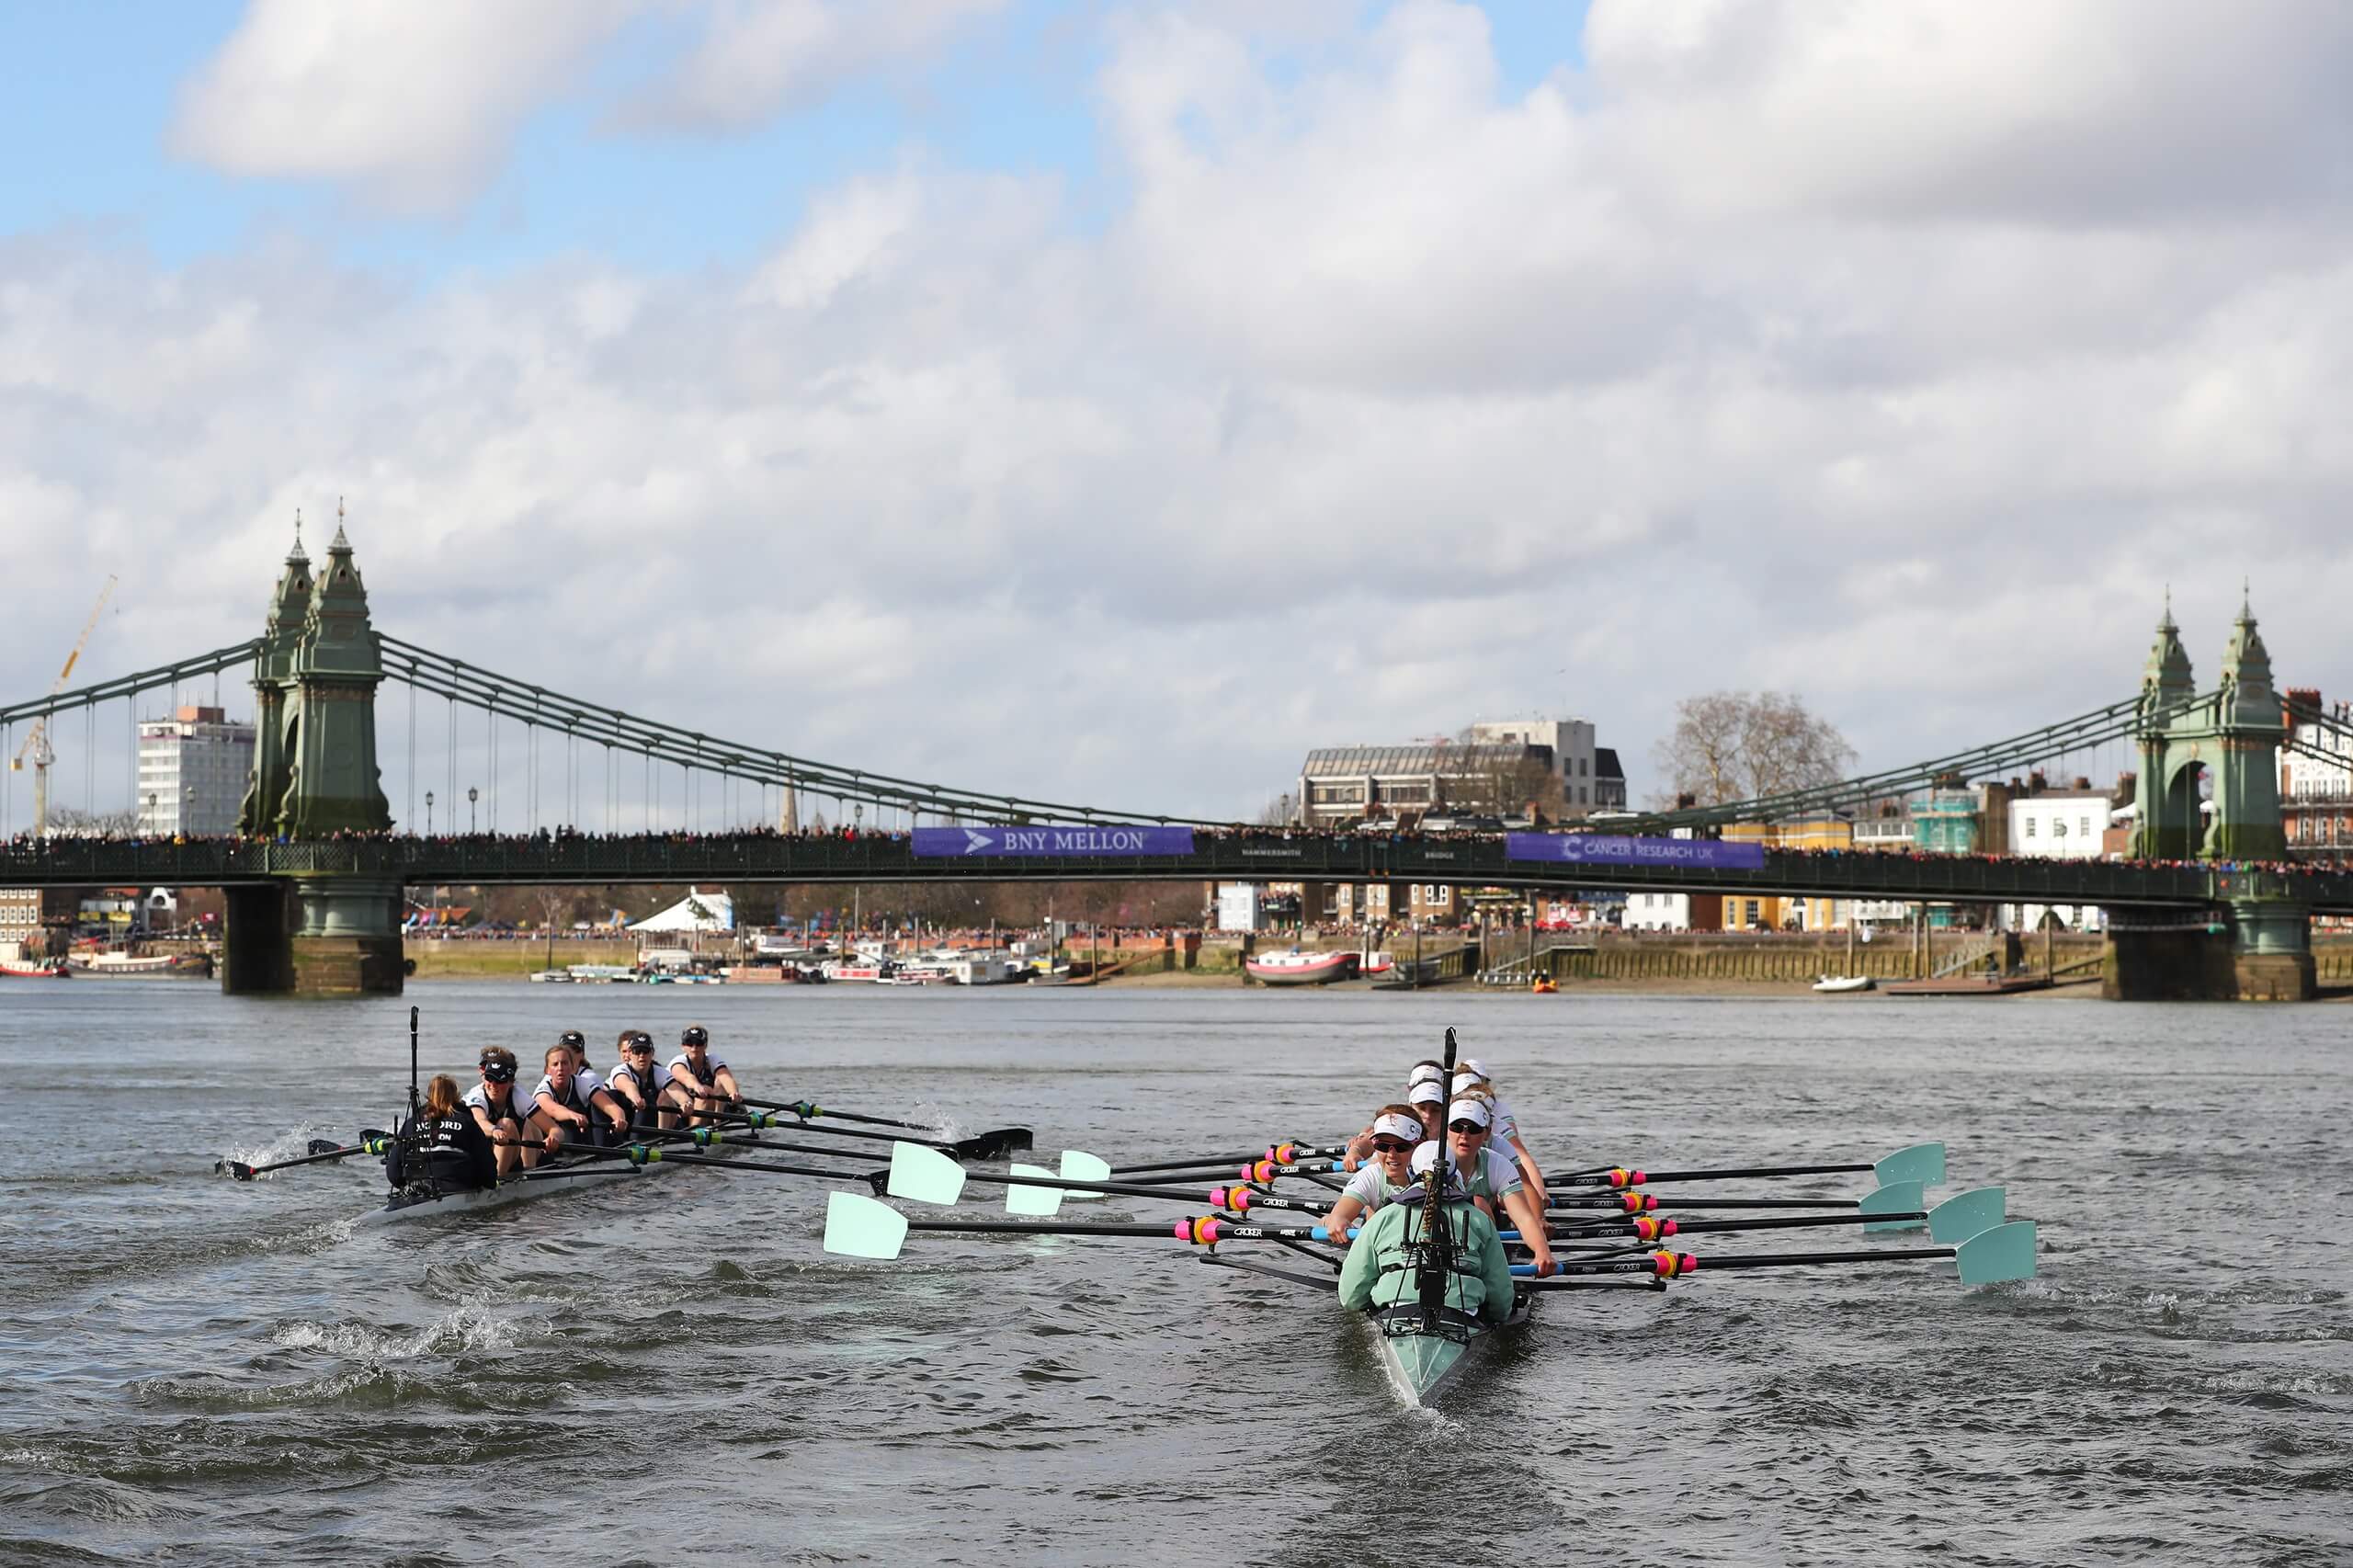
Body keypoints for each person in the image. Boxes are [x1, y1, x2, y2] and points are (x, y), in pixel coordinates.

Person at [1338, 1142, 1517, 1325]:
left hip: (1395, 1312)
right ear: (1455, 1177)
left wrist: (1366, 1307)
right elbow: (1501, 1294)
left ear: (1411, 1174)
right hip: (1463, 1317)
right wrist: (1497, 1317)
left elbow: (1350, 1295)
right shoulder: (1480, 1219)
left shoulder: (1381, 1217)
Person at [1442, 1095, 1555, 1278]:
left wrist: (1542, 1252)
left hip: (1477, 1237)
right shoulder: (1429, 1159)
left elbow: (1524, 1218)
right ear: (1446, 1131)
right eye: (1456, 1127)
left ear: (1487, 1134)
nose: (1464, 1135)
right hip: (1436, 1236)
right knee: (1477, 1203)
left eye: (1473, 1128)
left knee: (1478, 1205)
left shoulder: (1497, 1164)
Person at [1324, 1107, 1423, 1243]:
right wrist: (1336, 1219)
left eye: (1402, 1147)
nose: (1391, 1155)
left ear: (1419, 1145)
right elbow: (1341, 1213)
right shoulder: (1372, 1174)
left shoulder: (1435, 1171)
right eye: (1382, 1146)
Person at [390, 1074, 496, 1192]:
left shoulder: (411, 1123)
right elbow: (487, 1162)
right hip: (457, 1186)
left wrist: (400, 1183)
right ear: (455, 1095)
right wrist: (488, 1185)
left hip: (417, 1188)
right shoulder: (466, 1121)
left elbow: (393, 1169)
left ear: (429, 1096)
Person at [526, 1040, 627, 1154]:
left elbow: (611, 1106)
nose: (560, 1068)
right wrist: (573, 1115)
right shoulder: (542, 1090)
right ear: (547, 1071)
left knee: (601, 1100)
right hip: (550, 1142)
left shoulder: (582, 1083)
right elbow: (554, 1110)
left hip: (575, 1138)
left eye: (564, 1063)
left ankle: (600, 1153)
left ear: (572, 1067)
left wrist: (619, 1119)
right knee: (573, 1111)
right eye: (555, 1064)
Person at [462, 1046, 530, 1176]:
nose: (493, 1083)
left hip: (507, 1151)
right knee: (507, 1125)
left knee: (527, 1123)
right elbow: (480, 1121)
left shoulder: (519, 1096)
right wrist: (494, 1130)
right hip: (478, 1148)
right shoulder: (477, 1095)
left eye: (499, 1078)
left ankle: (528, 1169)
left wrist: (553, 1136)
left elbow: (551, 1127)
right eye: (486, 1070)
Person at [663, 1025, 741, 1126]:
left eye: (699, 1043)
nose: (694, 1048)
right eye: (689, 1043)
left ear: (705, 1045)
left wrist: (733, 1092)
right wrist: (697, 1086)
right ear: (683, 1046)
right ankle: (693, 1132)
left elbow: (725, 1076)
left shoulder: (713, 1059)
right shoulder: (678, 1062)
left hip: (706, 1108)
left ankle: (717, 1121)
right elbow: (686, 1077)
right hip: (679, 1110)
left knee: (719, 1082)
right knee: (703, 1095)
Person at [604, 1029, 674, 1131]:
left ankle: (662, 1135)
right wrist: (636, 1098)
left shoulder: (658, 1071)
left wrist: (686, 1102)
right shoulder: (617, 1073)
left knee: (664, 1095)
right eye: (624, 1051)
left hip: (653, 1117)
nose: (626, 1056)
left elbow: (675, 1089)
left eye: (644, 1051)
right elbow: (629, 1086)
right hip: (626, 1121)